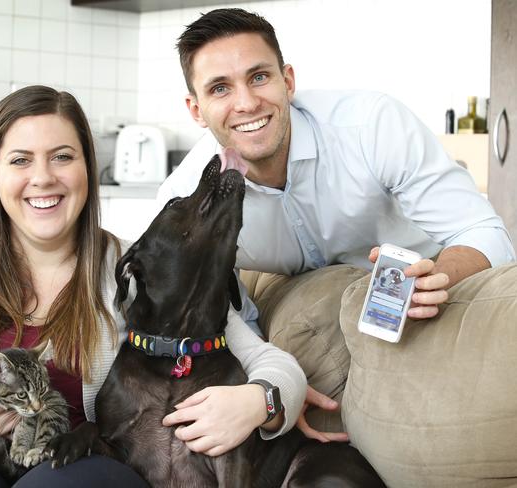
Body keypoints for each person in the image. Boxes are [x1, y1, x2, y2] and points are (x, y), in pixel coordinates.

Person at [0, 85, 305, 487]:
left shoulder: (138, 267)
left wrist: (259, 402)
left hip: (78, 475)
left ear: (87, 169)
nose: (43, 178)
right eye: (20, 160)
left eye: (62, 157)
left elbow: (271, 364)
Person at [157, 8, 516, 442]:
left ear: (287, 80)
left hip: (429, 285)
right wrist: (271, 383)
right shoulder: (187, 204)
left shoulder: (371, 125)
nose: (247, 103)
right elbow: (225, 312)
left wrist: (440, 274)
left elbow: (482, 230)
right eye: (220, 88)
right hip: (321, 307)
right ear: (196, 109)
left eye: (258, 77)